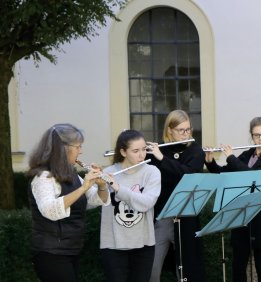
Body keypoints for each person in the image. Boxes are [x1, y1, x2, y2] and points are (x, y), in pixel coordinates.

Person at [28, 123, 110, 282]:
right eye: (78, 147)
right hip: (50, 253)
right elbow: (50, 210)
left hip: (70, 249)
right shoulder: (43, 177)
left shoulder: (71, 173)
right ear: (63, 149)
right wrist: (84, 187)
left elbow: (92, 200)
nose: (81, 151)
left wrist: (101, 184)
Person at [205, 116, 261, 282]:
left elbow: (252, 176)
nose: (260, 138)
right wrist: (210, 161)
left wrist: (231, 157)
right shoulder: (247, 155)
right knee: (238, 265)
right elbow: (224, 174)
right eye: (256, 135)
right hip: (242, 216)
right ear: (251, 136)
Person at [148, 110, 206, 282]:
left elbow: (187, 175)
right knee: (152, 267)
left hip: (186, 216)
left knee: (188, 270)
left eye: (188, 129)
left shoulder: (196, 151)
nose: (186, 134)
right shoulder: (158, 149)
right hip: (162, 215)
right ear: (169, 130)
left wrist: (162, 159)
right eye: (181, 130)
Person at [100, 129, 162, 282]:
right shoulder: (108, 173)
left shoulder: (152, 172)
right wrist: (100, 185)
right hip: (113, 245)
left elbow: (146, 203)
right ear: (123, 152)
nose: (142, 155)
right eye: (135, 151)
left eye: (143, 150)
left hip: (143, 244)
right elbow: (93, 201)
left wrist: (118, 188)